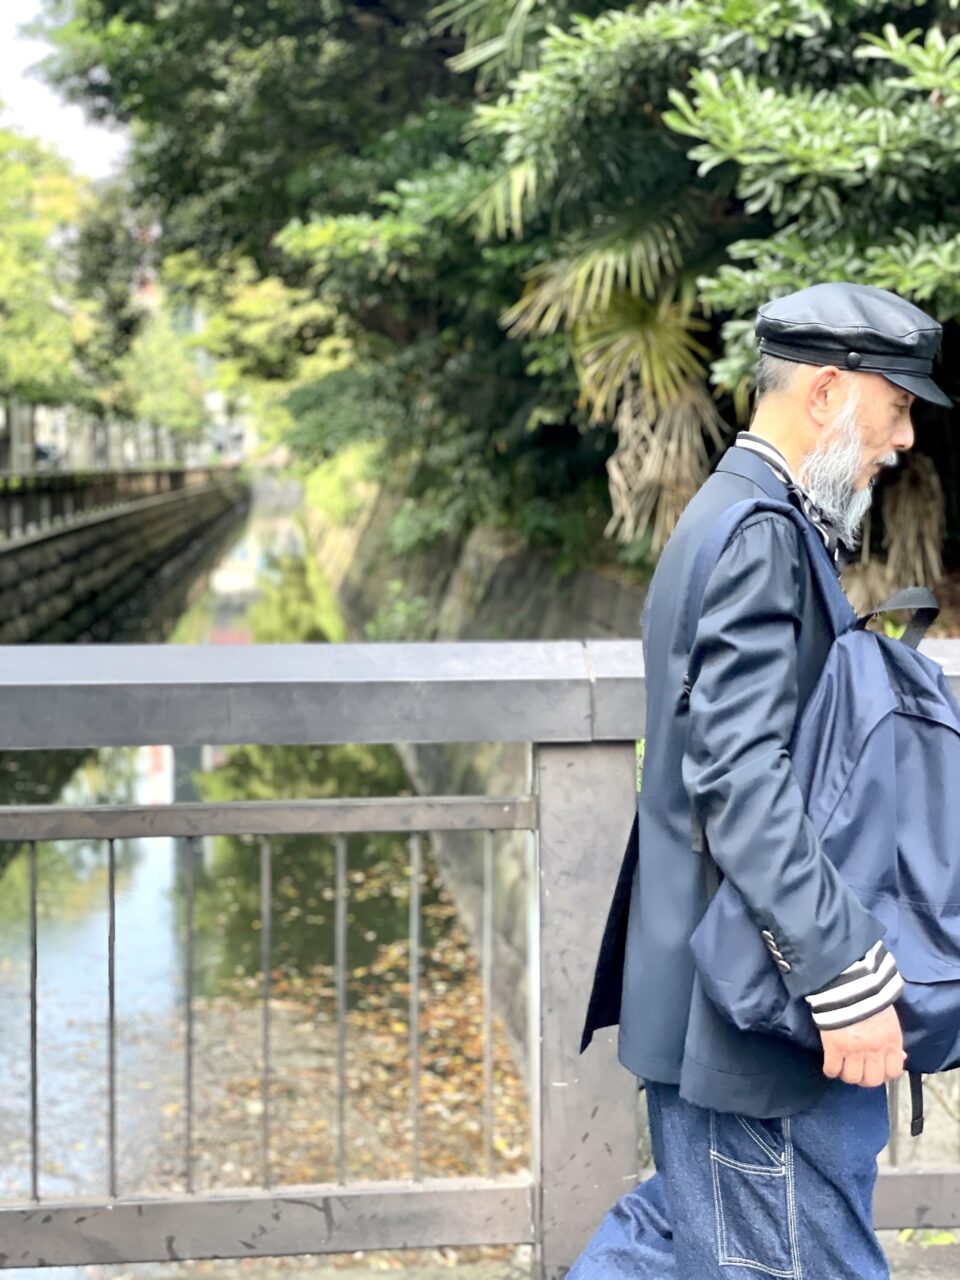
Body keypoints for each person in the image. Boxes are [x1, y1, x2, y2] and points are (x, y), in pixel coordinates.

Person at [573, 282, 953, 1279]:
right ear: (828, 393)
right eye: (896, 406)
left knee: (677, 1247)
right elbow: (740, 779)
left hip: (730, 1005)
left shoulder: (743, 513)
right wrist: (845, 976)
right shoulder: (758, 531)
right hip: (756, 1028)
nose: (904, 438)